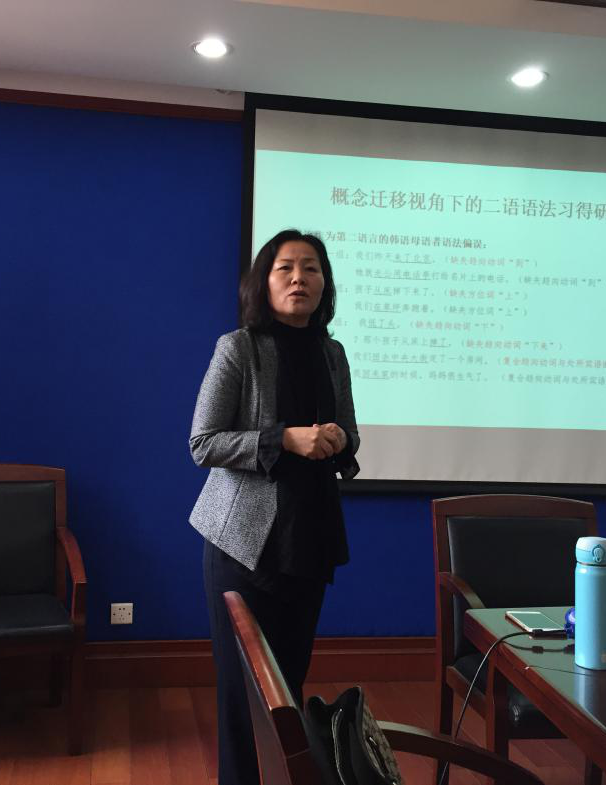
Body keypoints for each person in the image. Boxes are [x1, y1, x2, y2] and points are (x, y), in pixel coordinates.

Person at [189, 229, 360, 785]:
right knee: (243, 696)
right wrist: (283, 439)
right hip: (242, 544)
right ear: (264, 282)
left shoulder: (332, 354)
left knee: (289, 684)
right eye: (285, 267)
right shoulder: (238, 348)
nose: (298, 278)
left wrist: (339, 439)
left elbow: (350, 432)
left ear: (325, 284)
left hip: (309, 537)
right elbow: (203, 444)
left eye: (311, 268)